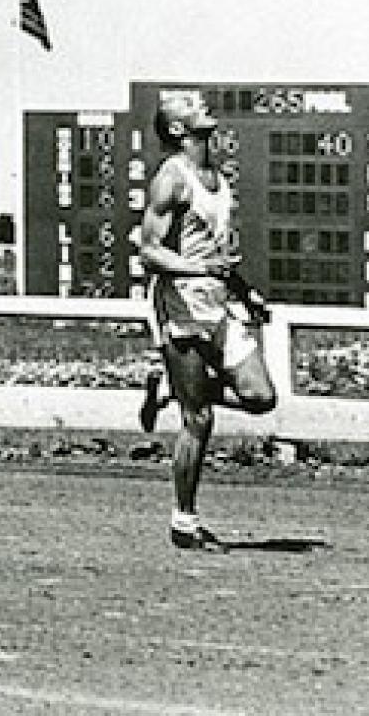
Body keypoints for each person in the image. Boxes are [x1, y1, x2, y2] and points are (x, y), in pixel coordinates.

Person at [136, 91, 277, 551]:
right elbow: (149, 252)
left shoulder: (218, 178)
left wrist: (244, 291)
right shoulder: (169, 179)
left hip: (218, 303)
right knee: (198, 418)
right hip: (181, 307)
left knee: (260, 397)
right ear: (178, 129)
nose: (204, 104)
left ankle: (170, 388)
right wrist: (200, 270)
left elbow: (216, 253)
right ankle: (184, 522)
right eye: (191, 104)